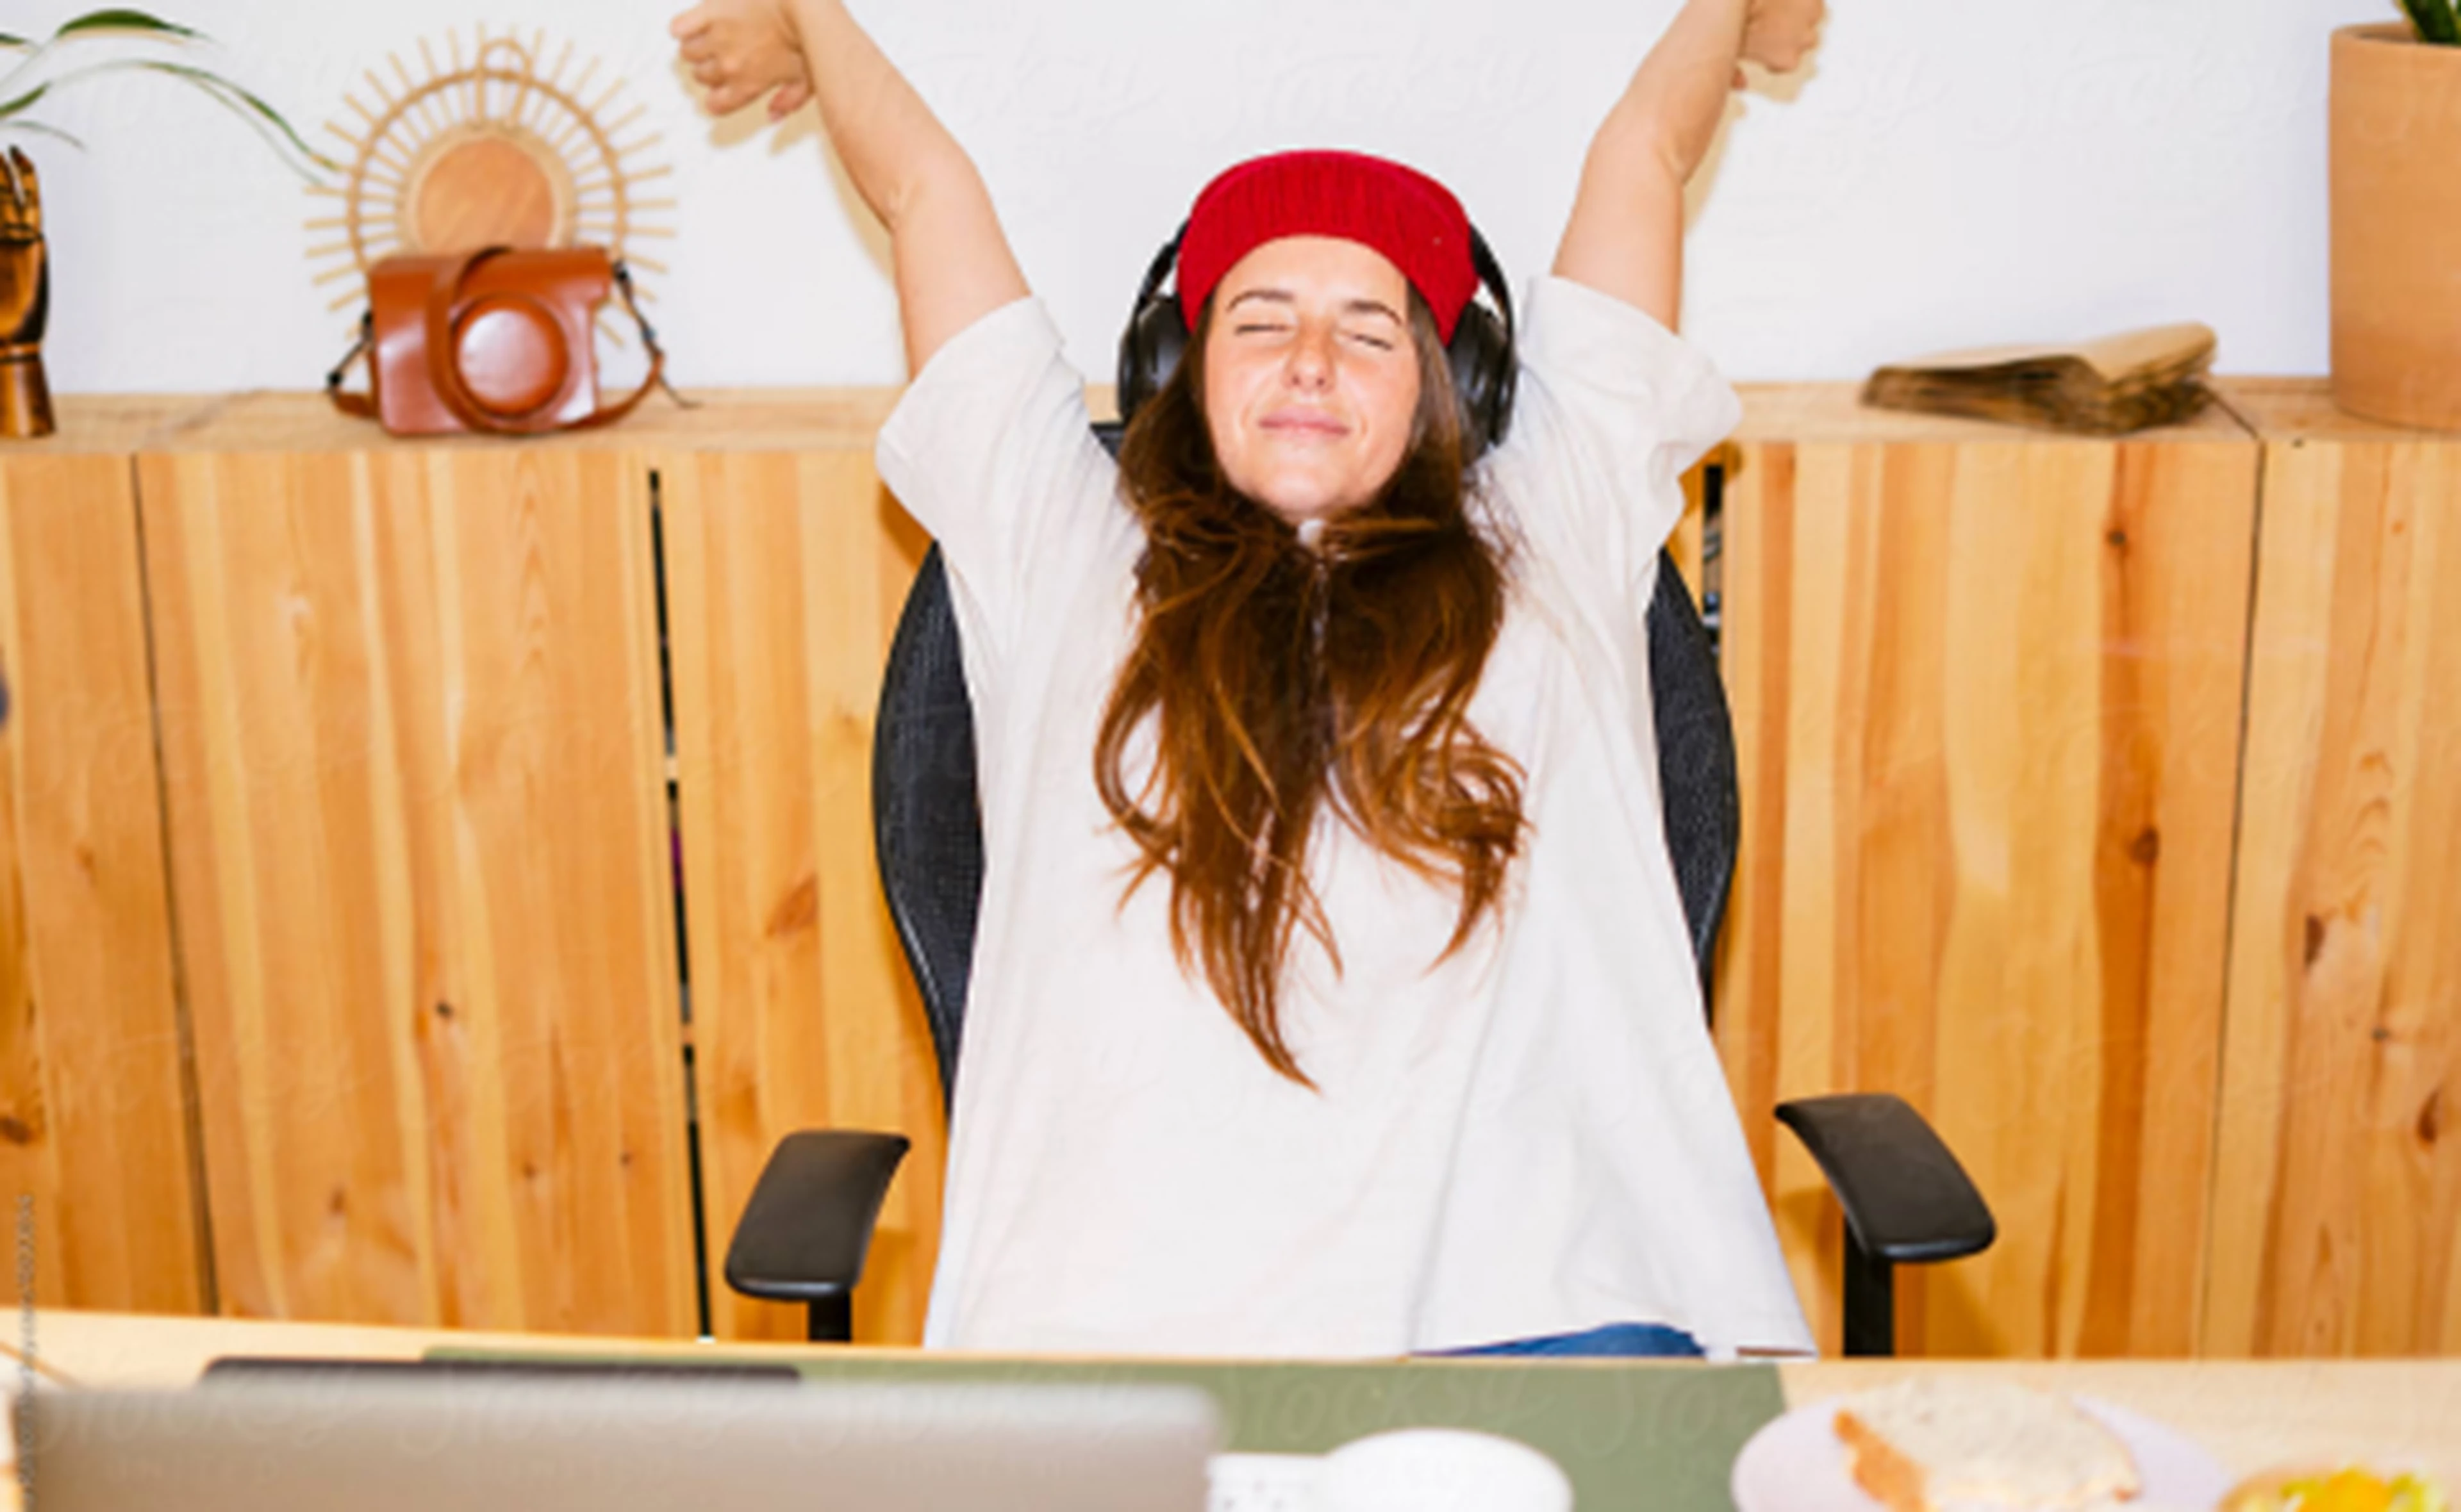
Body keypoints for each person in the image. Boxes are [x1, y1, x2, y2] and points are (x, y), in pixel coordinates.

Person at [672, 0, 1827, 1360]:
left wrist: (1735, 14)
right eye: (1260, 320)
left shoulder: (1555, 523)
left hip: (1548, 1315)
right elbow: (924, 187)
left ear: (1446, 386)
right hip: (1120, 1334)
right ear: (1181, 369)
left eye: (1371, 332)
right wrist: (807, 18)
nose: (1311, 363)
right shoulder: (1058, 539)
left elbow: (1644, 150)